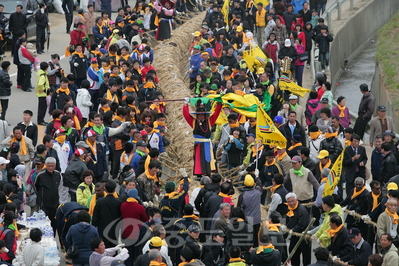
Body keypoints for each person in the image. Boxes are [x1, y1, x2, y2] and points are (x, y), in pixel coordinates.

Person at [183, 102, 222, 176]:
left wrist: (219, 104)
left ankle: (208, 173)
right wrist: (185, 105)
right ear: (197, 116)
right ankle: (199, 174)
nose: (201, 116)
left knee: (209, 159)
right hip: (198, 145)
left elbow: (216, 114)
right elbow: (186, 115)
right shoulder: (193, 122)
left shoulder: (209, 121)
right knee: (199, 160)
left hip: (207, 144)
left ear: (205, 115)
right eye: (199, 115)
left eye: (202, 115)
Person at [120, 188, 148, 265]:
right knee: (136, 253)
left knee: (128, 253)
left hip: (126, 233)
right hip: (137, 234)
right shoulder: (139, 207)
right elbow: (145, 219)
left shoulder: (123, 205)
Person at [92, 180, 121, 248]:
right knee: (114, 250)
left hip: (102, 229)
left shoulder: (100, 201)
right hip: (114, 230)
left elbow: (96, 217)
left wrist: (94, 225)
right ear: (114, 190)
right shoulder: (118, 202)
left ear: (105, 189)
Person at [285, 192, 311, 266]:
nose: (291, 203)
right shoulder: (289, 209)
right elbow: (288, 223)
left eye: (293, 201)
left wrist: (293, 230)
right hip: (294, 237)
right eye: (289, 202)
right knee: (293, 256)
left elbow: (302, 224)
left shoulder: (302, 210)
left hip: (304, 237)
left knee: (306, 258)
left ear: (296, 200)